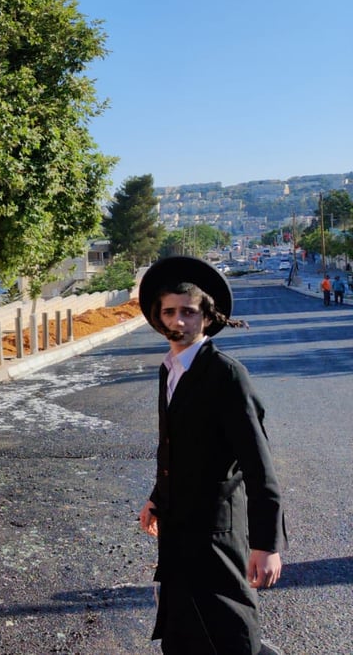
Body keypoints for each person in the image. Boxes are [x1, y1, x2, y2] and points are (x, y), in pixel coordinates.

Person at [137, 256, 287, 655]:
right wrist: (157, 496)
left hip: (217, 529)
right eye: (170, 311)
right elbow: (175, 446)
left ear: (207, 316)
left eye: (189, 311)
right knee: (183, 628)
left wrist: (267, 543)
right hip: (178, 526)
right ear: (158, 316)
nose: (179, 320)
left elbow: (258, 464)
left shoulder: (225, 374)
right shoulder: (169, 370)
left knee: (230, 629)